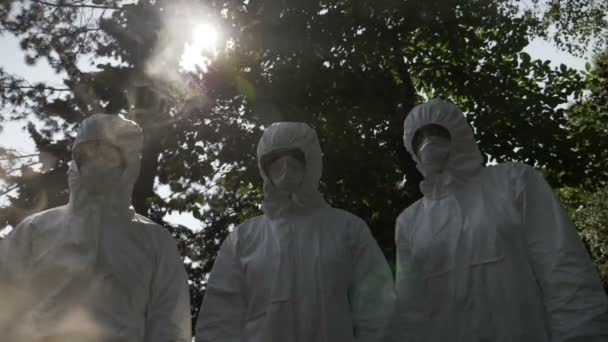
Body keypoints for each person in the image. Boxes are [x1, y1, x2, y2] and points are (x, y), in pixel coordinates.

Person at [392, 98, 608, 341]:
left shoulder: (514, 181)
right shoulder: (409, 222)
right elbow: (411, 312)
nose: (427, 142)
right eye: (418, 138)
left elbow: (563, 269)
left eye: (436, 132)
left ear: (459, 132)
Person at [195, 122, 395, 342]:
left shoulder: (346, 229)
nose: (285, 169)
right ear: (264, 168)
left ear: (310, 162)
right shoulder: (244, 238)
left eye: (293, 160)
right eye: (275, 162)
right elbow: (220, 319)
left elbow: (377, 308)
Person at [0, 114, 191, 341]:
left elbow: (169, 324)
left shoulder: (154, 241)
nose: (95, 158)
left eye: (106, 152)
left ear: (128, 162)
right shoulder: (34, 230)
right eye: (88, 152)